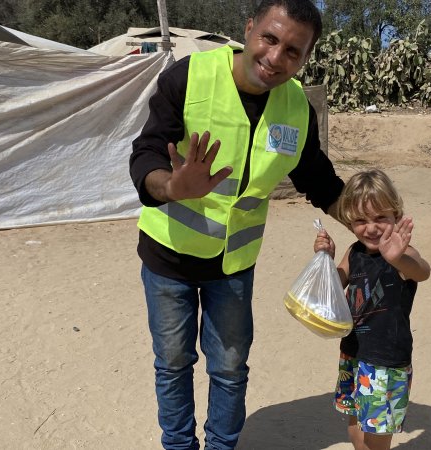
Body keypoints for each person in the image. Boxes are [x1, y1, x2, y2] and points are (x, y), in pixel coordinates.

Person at [128, 1, 345, 448]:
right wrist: (172, 186)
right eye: (270, 38)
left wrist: (370, 222)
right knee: (172, 363)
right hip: (168, 258)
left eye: (293, 51)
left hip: (233, 265)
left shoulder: (295, 106)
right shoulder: (189, 78)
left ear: (305, 58)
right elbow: (146, 152)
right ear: (249, 30)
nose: (275, 57)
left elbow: (319, 181)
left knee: (229, 368)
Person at [313, 169, 431, 450]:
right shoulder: (355, 252)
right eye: (360, 220)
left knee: (376, 438)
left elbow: (422, 271)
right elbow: (336, 281)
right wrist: (326, 259)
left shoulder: (404, 254)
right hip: (353, 353)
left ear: (396, 215)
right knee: (354, 425)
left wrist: (398, 257)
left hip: (385, 361)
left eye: (381, 217)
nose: (371, 228)